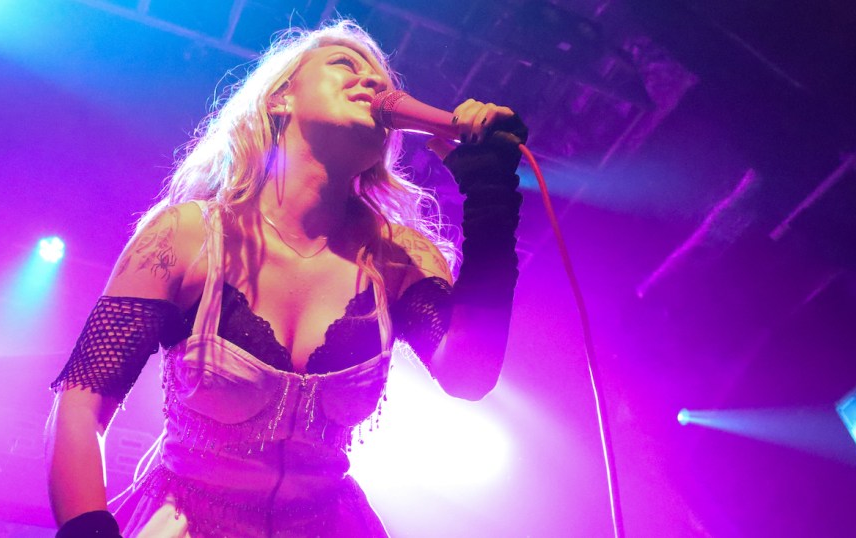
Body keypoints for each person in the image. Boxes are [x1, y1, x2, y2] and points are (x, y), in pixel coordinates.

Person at [46, 19, 526, 538]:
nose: (371, 81)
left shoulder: (398, 257)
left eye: (381, 79)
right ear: (280, 99)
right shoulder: (187, 235)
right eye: (344, 64)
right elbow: (81, 403)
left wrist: (491, 206)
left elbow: (469, 375)